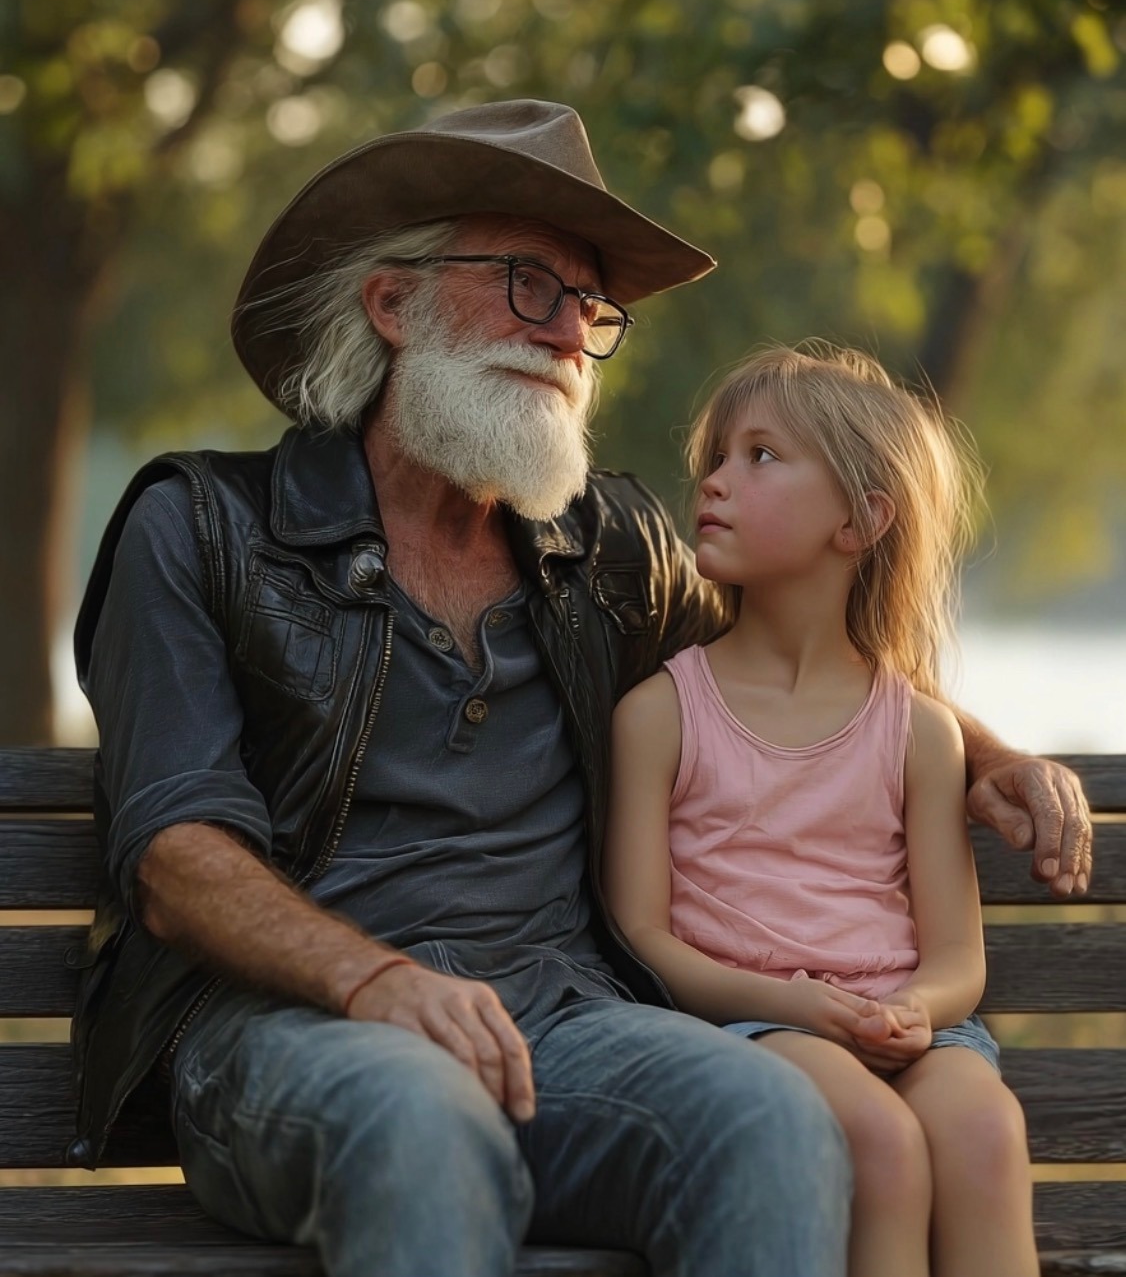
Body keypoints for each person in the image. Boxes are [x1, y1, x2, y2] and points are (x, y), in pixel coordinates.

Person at [69, 100, 1088, 1277]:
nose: (567, 331)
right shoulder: (202, 526)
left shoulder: (607, 550)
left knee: (771, 1116)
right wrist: (375, 979)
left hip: (567, 1021)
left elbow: (798, 667)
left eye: (589, 305)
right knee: (421, 1117)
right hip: (290, 1028)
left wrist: (987, 754)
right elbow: (174, 853)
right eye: (527, 283)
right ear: (392, 303)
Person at [603, 344, 1045, 1277]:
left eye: (760, 456)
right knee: (877, 1142)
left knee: (983, 1130)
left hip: (910, 1022)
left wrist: (909, 1010)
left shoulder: (919, 731)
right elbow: (642, 935)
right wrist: (791, 1002)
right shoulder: (662, 715)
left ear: (860, 520)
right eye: (716, 457)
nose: (715, 480)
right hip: (751, 1023)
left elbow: (956, 958)